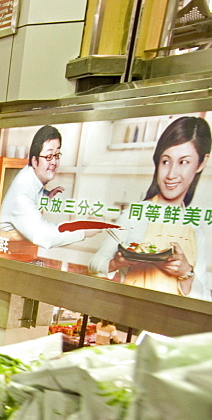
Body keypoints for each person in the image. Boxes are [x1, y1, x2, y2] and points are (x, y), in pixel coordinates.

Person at [89, 116, 210, 300]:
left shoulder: (195, 226)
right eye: (166, 161)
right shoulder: (136, 212)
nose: (171, 174)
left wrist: (186, 273)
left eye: (184, 162)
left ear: (201, 163)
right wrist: (116, 262)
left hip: (174, 324)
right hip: (132, 317)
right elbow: (94, 264)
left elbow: (204, 298)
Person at [0, 126, 99, 249]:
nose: (54, 162)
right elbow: (44, 236)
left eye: (57, 155)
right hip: (7, 251)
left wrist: (46, 195)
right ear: (34, 161)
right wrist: (83, 230)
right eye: (49, 156)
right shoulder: (21, 195)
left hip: (18, 248)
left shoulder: (31, 176)